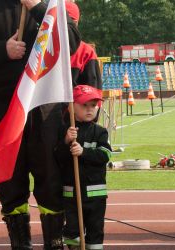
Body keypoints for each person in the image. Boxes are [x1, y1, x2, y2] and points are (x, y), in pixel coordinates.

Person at [0, 0, 80, 249]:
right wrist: (3, 49)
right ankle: (20, 243)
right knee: (10, 178)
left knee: (50, 175)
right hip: (5, 106)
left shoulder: (52, 6)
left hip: (45, 106)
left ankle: (53, 242)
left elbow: (72, 43)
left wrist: (36, 7)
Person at [55, 85, 112, 250]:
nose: (90, 109)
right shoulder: (66, 130)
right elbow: (57, 157)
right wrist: (66, 141)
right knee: (72, 230)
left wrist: (84, 152)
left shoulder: (100, 132)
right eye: (84, 105)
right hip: (71, 192)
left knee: (95, 230)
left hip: (95, 194)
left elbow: (105, 155)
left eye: (93, 105)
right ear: (72, 107)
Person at [66, 2, 102, 90]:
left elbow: (93, 92)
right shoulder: (39, 48)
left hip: (77, 103)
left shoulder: (87, 52)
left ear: (75, 23)